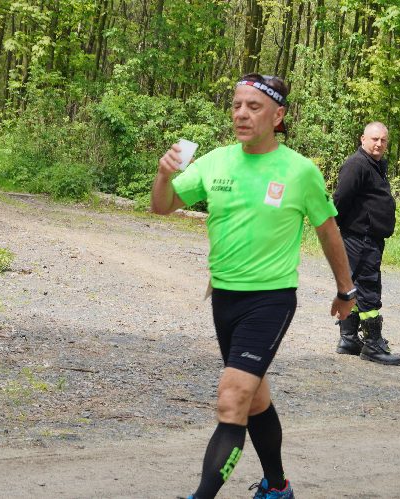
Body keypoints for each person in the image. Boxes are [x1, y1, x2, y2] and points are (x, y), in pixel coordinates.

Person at [151, 74, 357, 499]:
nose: (241, 114)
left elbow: (328, 231)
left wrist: (346, 290)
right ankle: (277, 487)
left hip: (270, 300)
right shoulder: (215, 162)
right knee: (255, 399)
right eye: (236, 105)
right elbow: (162, 206)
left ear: (278, 116)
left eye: (254, 107)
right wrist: (164, 174)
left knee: (232, 399)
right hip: (224, 298)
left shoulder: (300, 171)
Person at [333, 122, 400, 366]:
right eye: (374, 139)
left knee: (354, 285)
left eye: (383, 140)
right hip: (360, 237)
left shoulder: (376, 164)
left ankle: (349, 339)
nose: (379, 144)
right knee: (368, 285)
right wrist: (339, 228)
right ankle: (373, 344)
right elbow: (340, 199)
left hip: (367, 236)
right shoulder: (357, 164)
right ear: (363, 139)